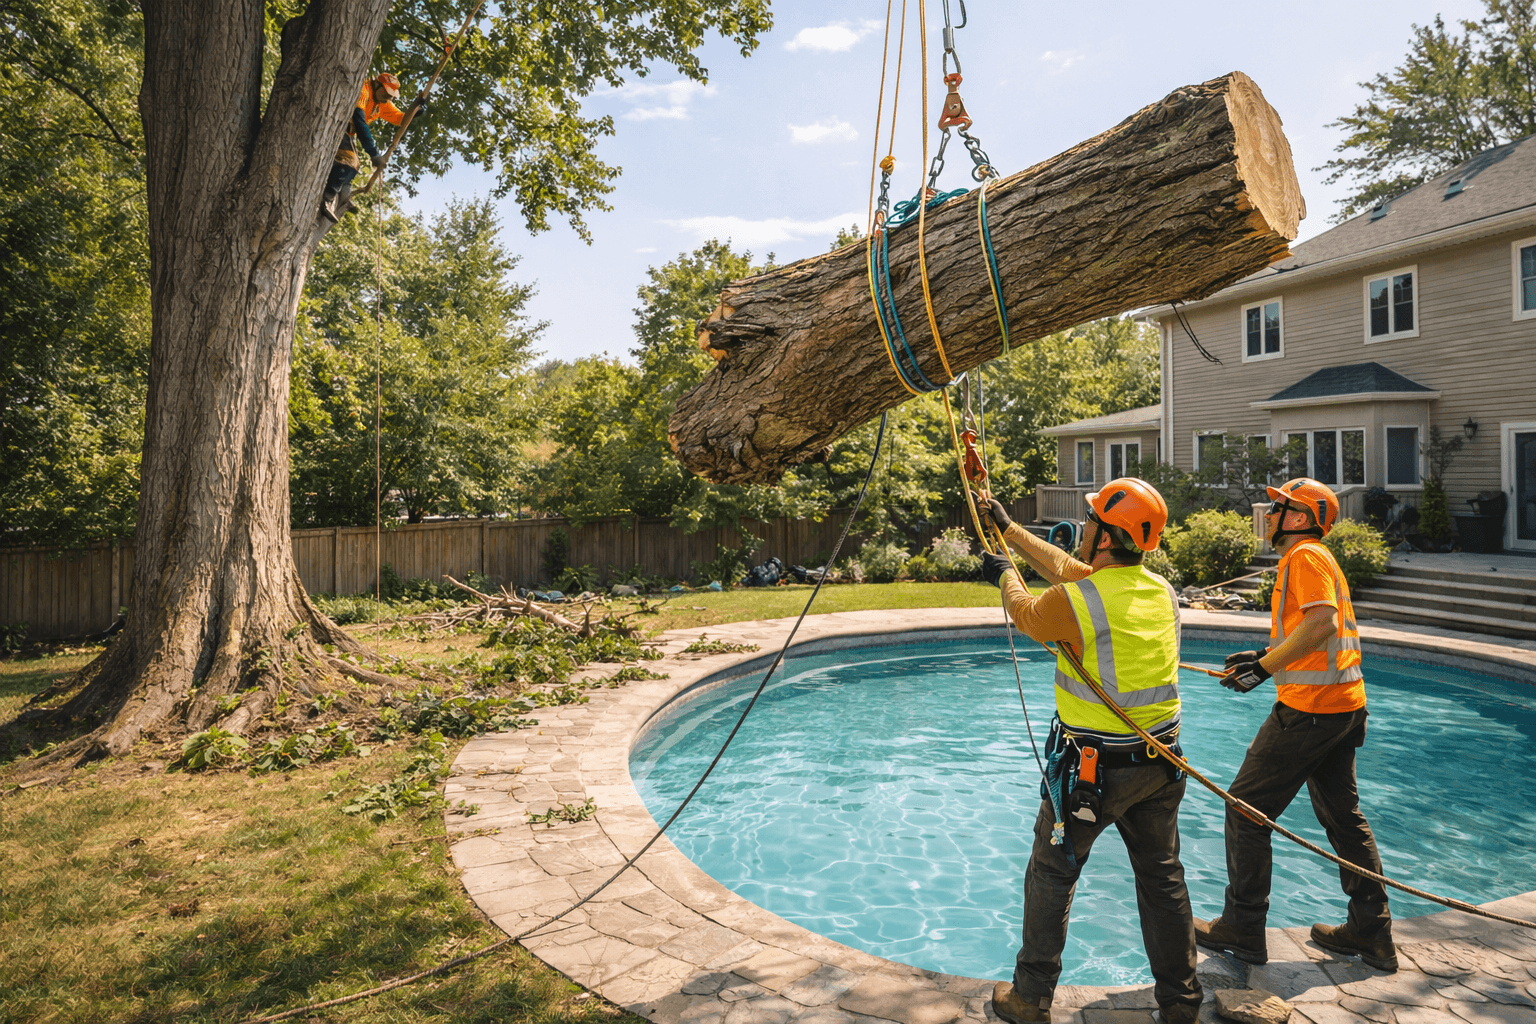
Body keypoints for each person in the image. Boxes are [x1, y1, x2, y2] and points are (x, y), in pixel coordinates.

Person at [979, 481, 1202, 1024]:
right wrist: (1010, 530)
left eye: (1088, 521)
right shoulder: (1159, 591)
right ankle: (1181, 1002)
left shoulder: (1076, 602)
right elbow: (1070, 571)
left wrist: (1002, 573)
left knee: (1052, 873)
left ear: (1103, 534)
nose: (1081, 529)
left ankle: (1030, 999)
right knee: (1162, 878)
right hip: (1161, 764)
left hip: (1094, 774)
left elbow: (1029, 612)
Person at [1194, 478, 1396, 971]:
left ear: (1300, 518)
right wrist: (1266, 656)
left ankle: (1242, 928)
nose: (1268, 513)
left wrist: (1263, 670)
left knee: (1245, 811)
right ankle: (1372, 933)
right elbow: (1315, 636)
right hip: (1342, 707)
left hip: (1310, 711)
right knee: (1344, 821)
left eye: (1277, 506)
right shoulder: (1311, 559)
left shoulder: (1305, 557)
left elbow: (1322, 622)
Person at [320, 72, 423, 222]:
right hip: (338, 125)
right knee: (349, 162)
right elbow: (359, 121)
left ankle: (342, 195)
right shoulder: (364, 89)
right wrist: (374, 153)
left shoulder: (382, 103)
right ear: (378, 86)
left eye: (391, 96)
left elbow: (401, 119)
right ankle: (327, 198)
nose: (389, 98)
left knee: (354, 167)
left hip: (348, 133)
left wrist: (416, 109)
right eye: (387, 94)